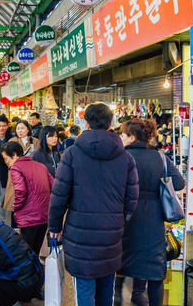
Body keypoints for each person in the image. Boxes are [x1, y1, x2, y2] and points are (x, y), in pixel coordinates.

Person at [49, 102, 139, 306]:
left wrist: (54, 226)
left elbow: (59, 195)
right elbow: (131, 198)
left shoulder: (72, 153)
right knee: (106, 289)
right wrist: (120, 219)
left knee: (84, 291)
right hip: (111, 232)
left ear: (86, 124)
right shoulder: (125, 157)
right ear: (111, 124)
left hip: (80, 233)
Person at [115, 119, 185, 306]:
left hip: (126, 214)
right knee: (153, 265)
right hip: (154, 217)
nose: (120, 137)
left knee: (121, 257)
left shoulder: (120, 157)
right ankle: (146, 298)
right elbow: (179, 183)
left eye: (123, 134)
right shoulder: (161, 158)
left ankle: (117, 296)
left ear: (132, 137)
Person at [1, 142, 54, 255]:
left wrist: (16, 207)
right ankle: (36, 271)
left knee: (26, 252)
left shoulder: (16, 167)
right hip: (44, 214)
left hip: (29, 216)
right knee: (35, 250)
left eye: (6, 158)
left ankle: (29, 272)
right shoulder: (40, 165)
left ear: (14, 155)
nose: (6, 162)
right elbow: (53, 185)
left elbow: (20, 192)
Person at [4, 120, 39, 222]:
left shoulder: (36, 142)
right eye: (18, 128)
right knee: (16, 200)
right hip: (16, 175)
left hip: (32, 175)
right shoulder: (12, 141)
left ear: (28, 129)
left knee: (30, 202)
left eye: (22, 128)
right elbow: (7, 159)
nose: (20, 130)